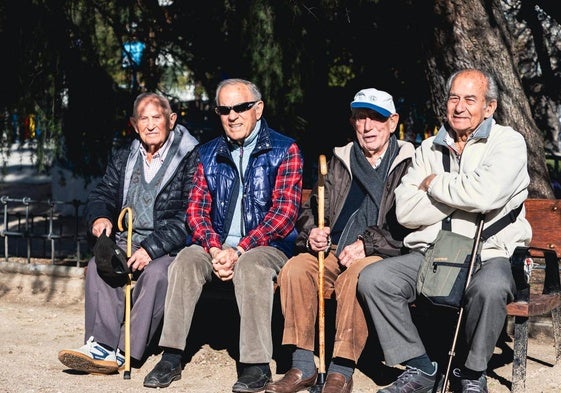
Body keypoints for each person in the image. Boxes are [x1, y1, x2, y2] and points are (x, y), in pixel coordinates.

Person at [356, 68, 532, 393]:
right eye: (454, 98)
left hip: (488, 253)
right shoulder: (428, 149)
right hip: (432, 251)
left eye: (470, 99)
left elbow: (487, 195)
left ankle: (472, 374)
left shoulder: (508, 143)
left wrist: (434, 184)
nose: (460, 107)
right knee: (374, 280)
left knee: (491, 289)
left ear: (489, 107)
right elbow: (406, 210)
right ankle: (421, 367)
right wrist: (466, 194)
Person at [143, 78, 304, 392]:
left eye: (241, 107)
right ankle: (171, 355)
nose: (233, 115)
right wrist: (214, 247)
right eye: (225, 109)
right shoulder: (208, 153)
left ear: (258, 108)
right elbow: (195, 211)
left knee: (252, 266)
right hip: (216, 244)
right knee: (186, 260)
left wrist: (240, 249)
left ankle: (255, 365)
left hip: (266, 245)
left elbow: (283, 216)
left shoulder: (285, 150)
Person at [264, 88, 415, 393]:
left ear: (392, 122)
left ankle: (341, 370)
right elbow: (313, 209)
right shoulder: (340, 159)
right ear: (352, 121)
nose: (368, 126)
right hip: (334, 250)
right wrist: (313, 233)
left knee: (356, 278)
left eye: (376, 118)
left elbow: (407, 225)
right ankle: (303, 364)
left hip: (382, 254)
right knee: (295, 269)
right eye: (361, 118)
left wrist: (366, 244)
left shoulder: (409, 161)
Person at [58, 92, 199, 374]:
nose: (150, 125)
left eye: (156, 117)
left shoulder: (190, 156)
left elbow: (189, 215)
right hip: (128, 237)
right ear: (134, 124)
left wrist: (151, 248)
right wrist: (99, 217)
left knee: (157, 274)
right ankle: (101, 345)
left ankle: (125, 350)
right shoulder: (126, 154)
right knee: (100, 265)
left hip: (168, 245)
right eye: (143, 119)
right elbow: (104, 192)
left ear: (171, 120)